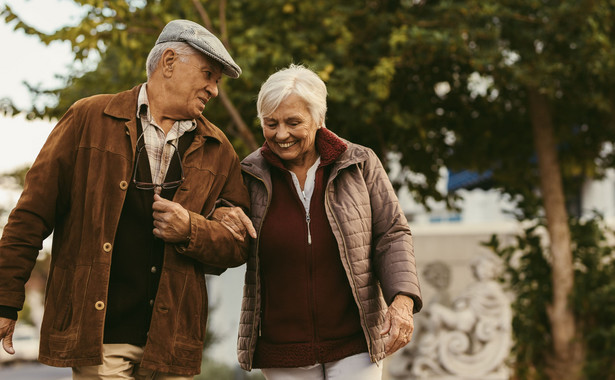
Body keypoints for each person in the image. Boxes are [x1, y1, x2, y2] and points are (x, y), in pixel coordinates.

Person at [0, 19, 254, 379]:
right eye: (208, 74)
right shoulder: (88, 118)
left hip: (172, 343)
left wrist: (190, 230)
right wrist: (5, 299)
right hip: (101, 338)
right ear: (169, 62)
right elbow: (31, 215)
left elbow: (238, 245)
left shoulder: (219, 150)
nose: (214, 89)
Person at [215, 64, 422, 379]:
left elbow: (391, 235)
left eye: (293, 122)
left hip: (356, 339)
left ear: (319, 120)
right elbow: (226, 233)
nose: (281, 134)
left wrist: (402, 301)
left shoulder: (360, 163)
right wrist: (217, 214)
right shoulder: (249, 175)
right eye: (270, 124)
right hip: (283, 346)